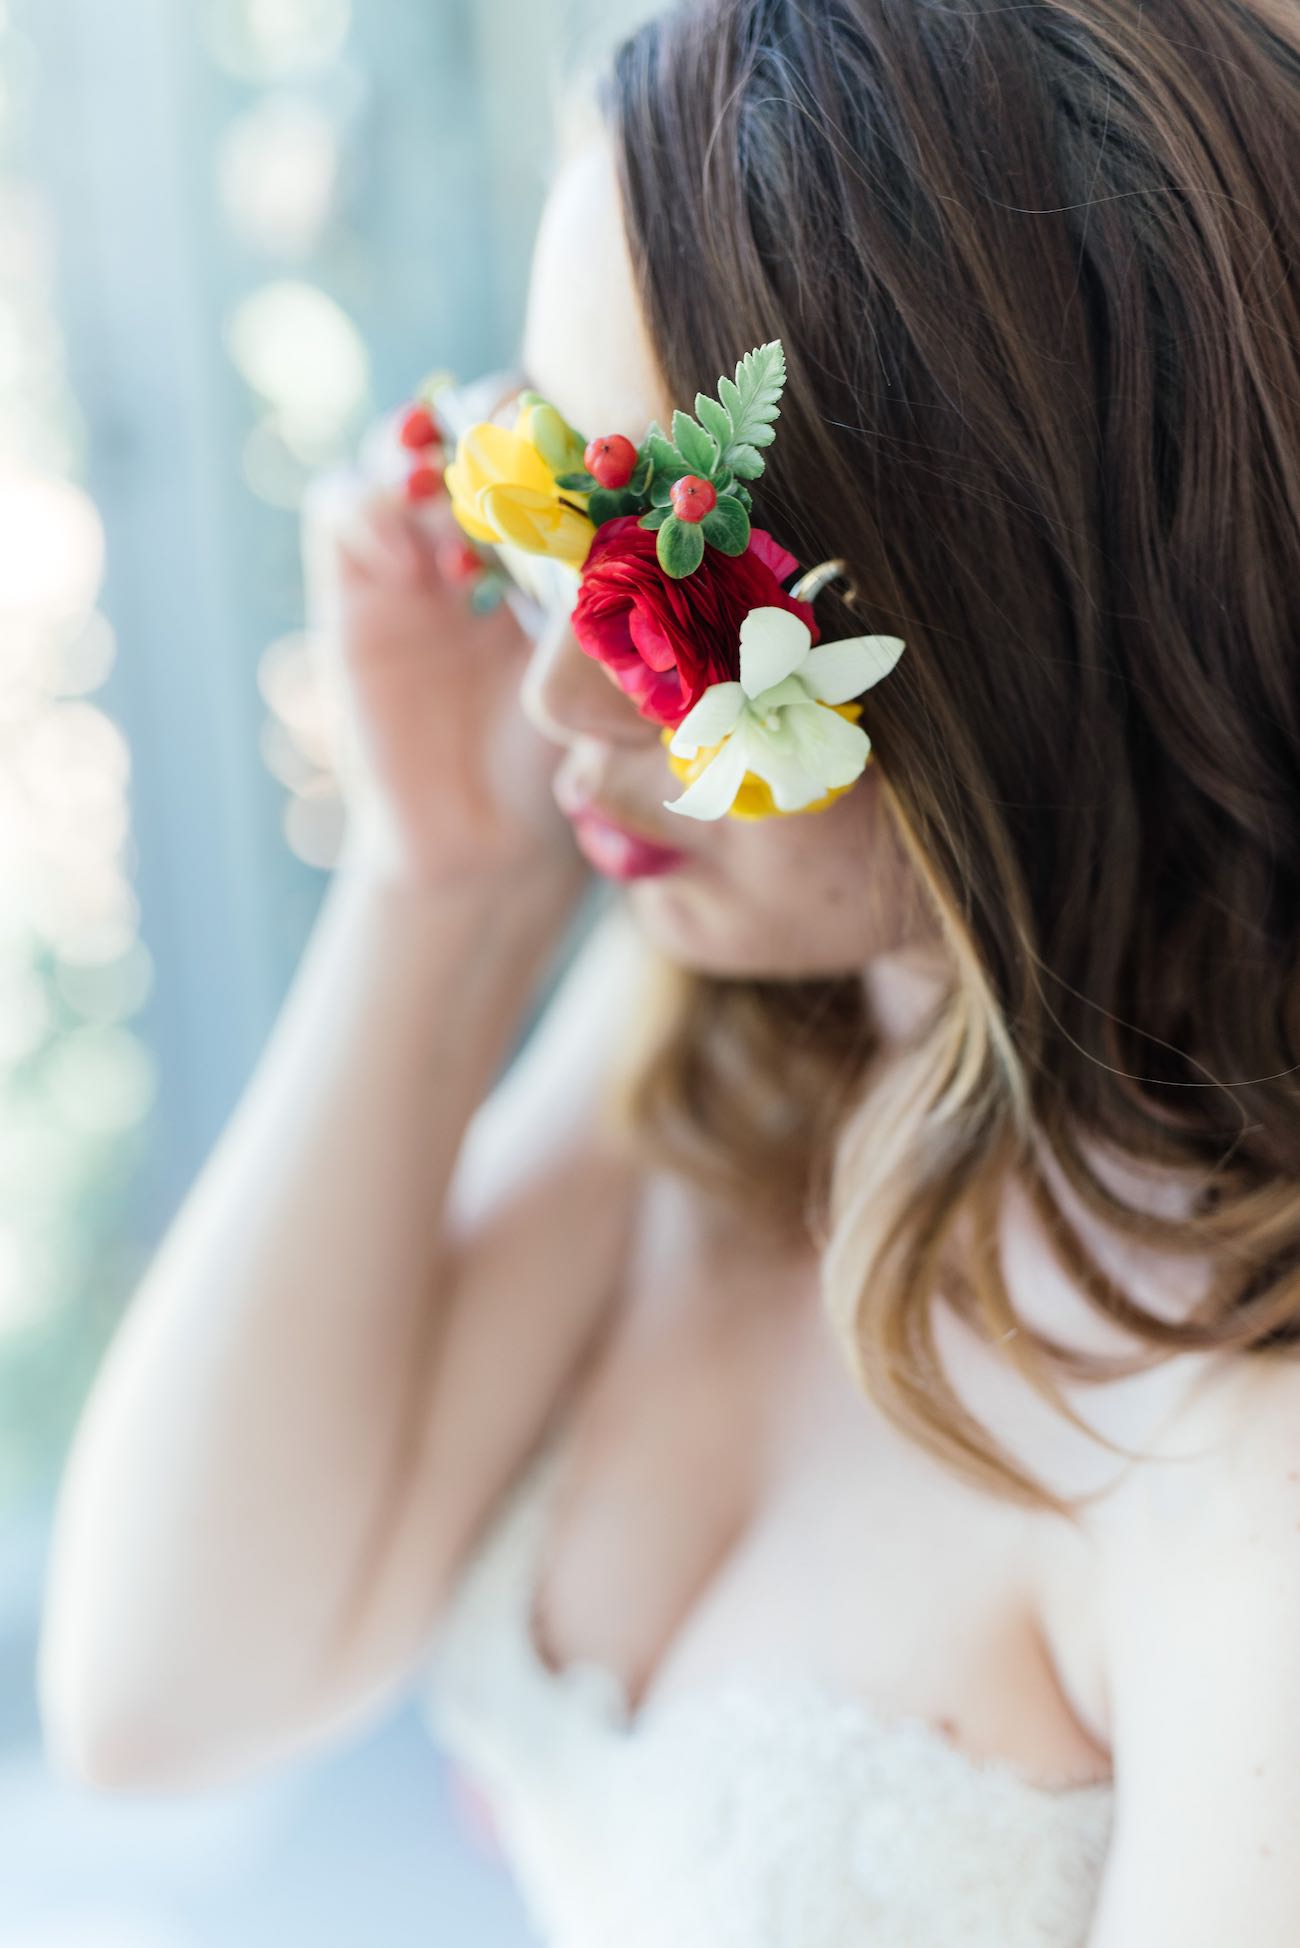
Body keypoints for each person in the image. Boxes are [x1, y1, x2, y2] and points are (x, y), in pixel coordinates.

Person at [36, 1, 1300, 1942]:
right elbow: (162, 1689)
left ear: (1025, 609)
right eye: (547, 509)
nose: (556, 682)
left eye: (663, 599)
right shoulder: (723, 1042)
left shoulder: (1231, 1423)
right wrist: (437, 886)